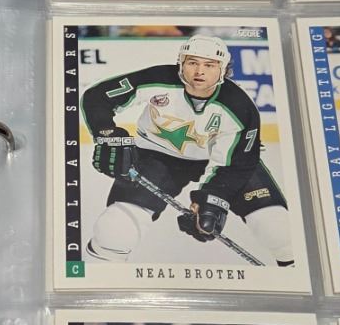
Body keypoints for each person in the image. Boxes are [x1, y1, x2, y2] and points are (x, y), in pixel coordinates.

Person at [81, 35, 295, 267]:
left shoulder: (239, 106)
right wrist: (108, 135)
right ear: (181, 63)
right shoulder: (158, 79)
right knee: (114, 230)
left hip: (223, 163)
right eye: (192, 62)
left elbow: (238, 163)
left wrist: (214, 199)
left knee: (279, 230)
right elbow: (97, 97)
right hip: (156, 156)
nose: (199, 71)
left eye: (209, 65)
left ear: (223, 70)